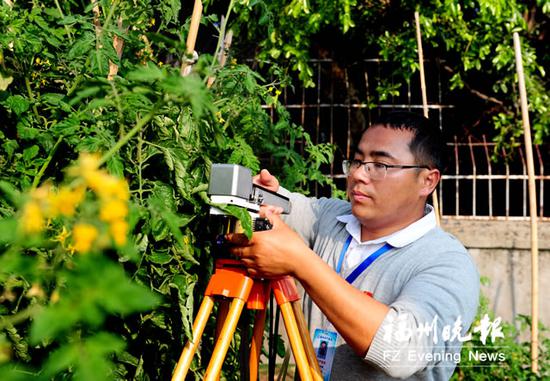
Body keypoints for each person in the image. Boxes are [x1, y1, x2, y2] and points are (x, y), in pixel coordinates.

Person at [227, 111, 480, 380]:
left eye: (380, 165)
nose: (359, 174)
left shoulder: (447, 263)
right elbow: (282, 207)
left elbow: (403, 350)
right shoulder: (331, 219)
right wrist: (257, 195)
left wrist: (301, 262)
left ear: (427, 181)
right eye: (358, 161)